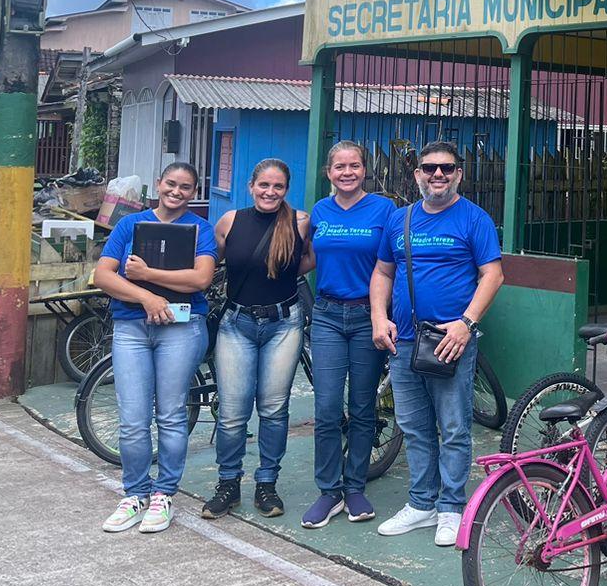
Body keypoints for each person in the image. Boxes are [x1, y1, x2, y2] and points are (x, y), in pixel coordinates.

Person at [371, 140, 503, 546]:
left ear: (459, 174)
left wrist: (466, 324)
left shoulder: (474, 219)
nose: (438, 175)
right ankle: (422, 503)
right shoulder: (400, 219)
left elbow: (492, 275)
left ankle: (451, 507)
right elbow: (382, 272)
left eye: (446, 168)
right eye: (430, 168)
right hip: (405, 341)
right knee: (412, 426)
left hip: (450, 342)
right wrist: (379, 316)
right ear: (417, 175)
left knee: (453, 426)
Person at [94, 162, 218, 534]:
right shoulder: (130, 225)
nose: (177, 192)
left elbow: (200, 278)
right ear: (159, 184)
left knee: (170, 414)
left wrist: (146, 275)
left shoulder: (200, 230)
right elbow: (102, 275)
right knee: (132, 418)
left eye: (185, 187)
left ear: (193, 191)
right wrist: (148, 298)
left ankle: (164, 494)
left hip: (181, 328)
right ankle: (135, 493)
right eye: (171, 184)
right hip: (132, 328)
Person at [202, 158, 309, 521]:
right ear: (251, 187)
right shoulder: (230, 221)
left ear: (286, 190)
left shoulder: (300, 222)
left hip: (284, 324)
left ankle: (267, 484)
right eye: (264, 185)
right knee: (232, 412)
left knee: (274, 409)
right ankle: (228, 484)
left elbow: (305, 261)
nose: (270, 192)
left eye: (278, 187)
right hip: (237, 324)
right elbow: (209, 263)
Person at [301, 140, 397, 528]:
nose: (347, 172)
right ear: (329, 172)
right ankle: (329, 491)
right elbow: (301, 256)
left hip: (366, 317)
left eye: (354, 165)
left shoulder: (383, 209)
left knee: (361, 407)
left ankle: (355, 486)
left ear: (364, 170)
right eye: (339, 166)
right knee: (326, 408)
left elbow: (392, 262)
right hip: (326, 315)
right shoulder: (319, 212)